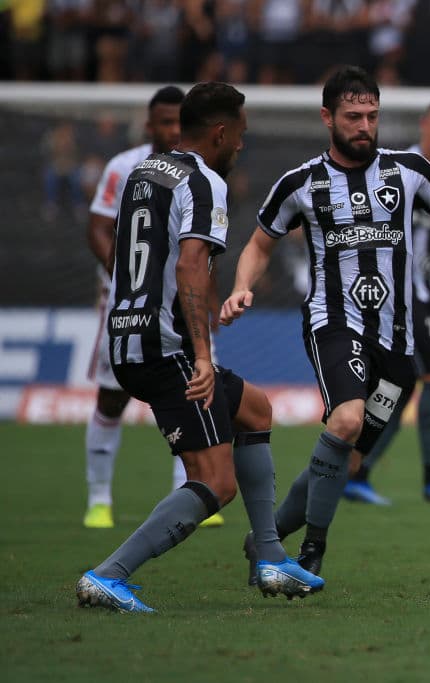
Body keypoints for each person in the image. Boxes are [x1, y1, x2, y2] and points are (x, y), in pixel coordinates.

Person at [221, 67, 430, 578]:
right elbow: (258, 243)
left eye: (372, 115)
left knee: (351, 458)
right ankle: (310, 552)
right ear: (327, 118)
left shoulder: (409, 169)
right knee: (345, 419)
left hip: (398, 344)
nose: (365, 125)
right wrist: (240, 287)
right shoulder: (300, 183)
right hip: (334, 323)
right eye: (353, 116)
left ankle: (264, 540)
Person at [76, 82, 324, 614]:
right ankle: (108, 574)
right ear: (219, 131)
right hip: (166, 345)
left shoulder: (146, 171)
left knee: (255, 408)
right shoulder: (205, 181)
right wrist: (204, 355)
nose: (241, 144)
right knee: (215, 481)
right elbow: (191, 264)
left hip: (126, 331)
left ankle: (269, 555)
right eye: (240, 134)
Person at [81, 85, 225, 531]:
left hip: (182, 303)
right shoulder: (124, 167)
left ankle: (192, 490)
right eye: (164, 122)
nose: (172, 129)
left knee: (198, 387)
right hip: (129, 301)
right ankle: (100, 499)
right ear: (149, 125)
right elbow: (99, 228)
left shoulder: (199, 173)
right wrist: (127, 277)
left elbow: (196, 253)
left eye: (178, 121)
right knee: (112, 395)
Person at [343, 96, 430, 505]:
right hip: (397, 293)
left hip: (428, 294)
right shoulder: (394, 168)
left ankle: (356, 468)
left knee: (400, 386)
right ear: (424, 125)